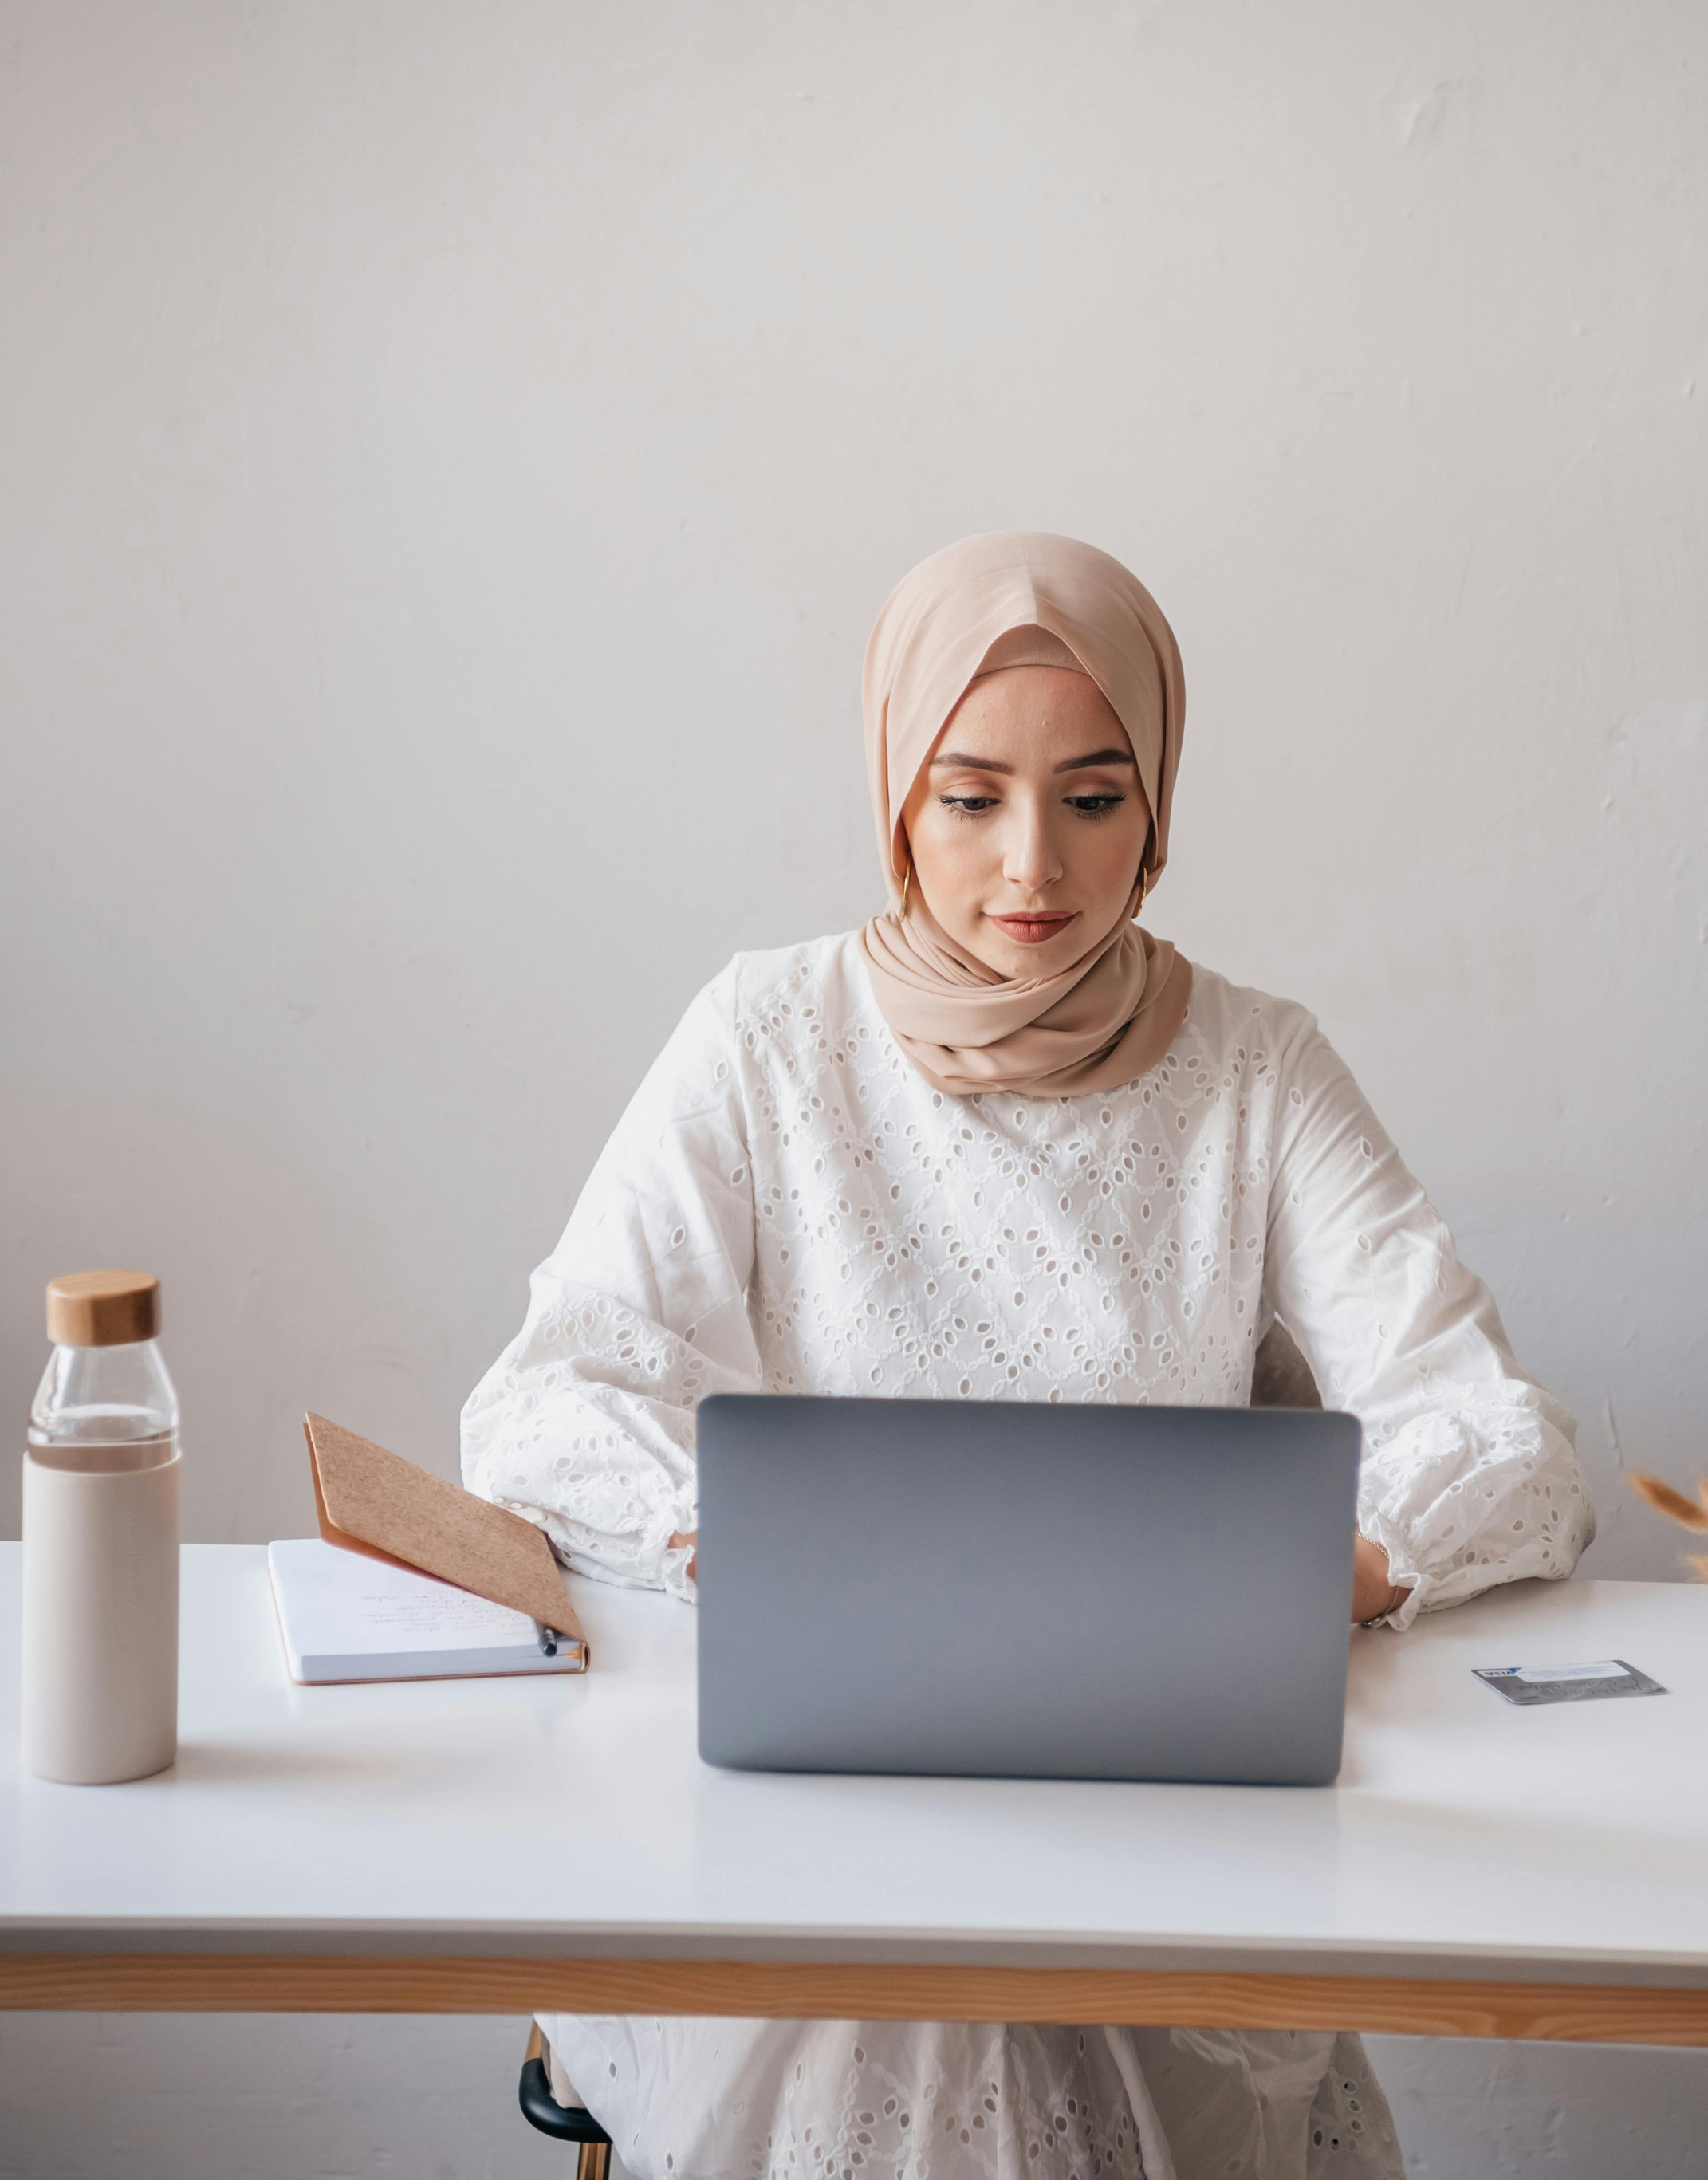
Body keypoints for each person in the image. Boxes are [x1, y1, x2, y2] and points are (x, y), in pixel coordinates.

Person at [462, 531, 1596, 2180]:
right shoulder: (764, 1033)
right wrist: (733, 1541)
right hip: (827, 1801)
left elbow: (1504, 1435)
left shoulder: (1257, 1066)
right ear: (893, 796)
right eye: (966, 794)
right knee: (890, 1995)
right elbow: (546, 1395)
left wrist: (1335, 1568)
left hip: (1170, 1798)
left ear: (1156, 808)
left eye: (1091, 794)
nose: (1028, 866)